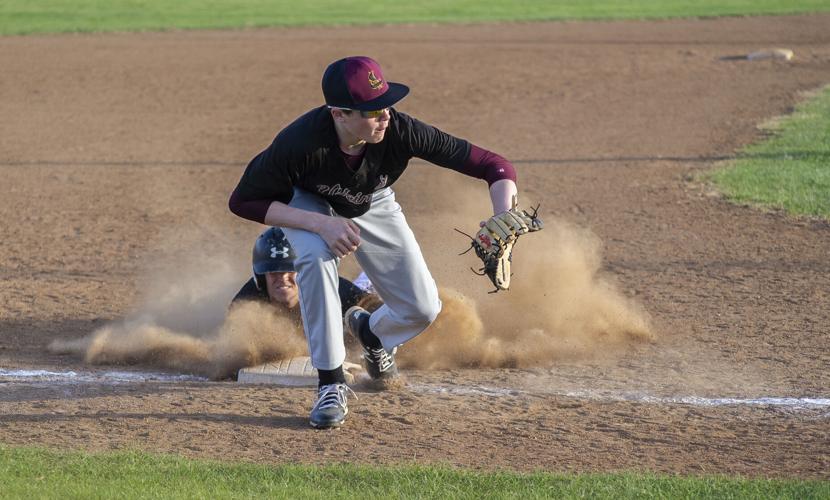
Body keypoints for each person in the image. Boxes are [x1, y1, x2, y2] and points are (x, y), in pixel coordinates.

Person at [229, 56, 520, 429]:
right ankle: (330, 385)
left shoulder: (400, 130)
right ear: (339, 115)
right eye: (371, 110)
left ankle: (371, 333)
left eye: (385, 104)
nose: (385, 116)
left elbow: (494, 166)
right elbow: (242, 201)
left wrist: (501, 212)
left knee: (422, 309)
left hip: (372, 200)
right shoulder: (299, 143)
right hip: (308, 202)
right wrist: (319, 224)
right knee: (316, 257)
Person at [232, 226, 369, 317]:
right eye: (274, 271)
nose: (283, 277)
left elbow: (371, 306)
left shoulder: (328, 287)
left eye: (291, 269)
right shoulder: (247, 303)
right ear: (261, 278)